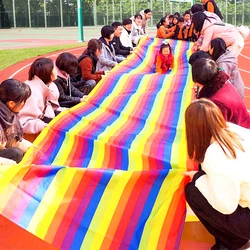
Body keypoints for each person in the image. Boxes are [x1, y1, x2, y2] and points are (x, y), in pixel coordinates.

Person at [183, 98, 250, 250]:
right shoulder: (232, 129)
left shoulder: (216, 154)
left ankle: (233, 244)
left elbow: (225, 206)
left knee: (193, 191)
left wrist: (198, 178)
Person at [192, 58, 250, 128]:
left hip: (239, 132)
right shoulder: (223, 83)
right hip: (242, 124)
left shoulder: (215, 102)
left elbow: (219, 129)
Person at [19, 58, 62, 135]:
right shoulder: (32, 92)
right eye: (54, 68)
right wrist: (43, 126)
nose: (56, 70)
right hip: (37, 129)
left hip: (45, 119)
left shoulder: (50, 85)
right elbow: (23, 122)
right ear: (47, 72)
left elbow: (53, 108)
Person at [0, 79, 33, 163]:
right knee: (16, 154)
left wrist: (31, 148)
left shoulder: (9, 114)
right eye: (23, 101)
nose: (24, 104)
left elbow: (12, 140)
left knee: (31, 152)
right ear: (11, 103)